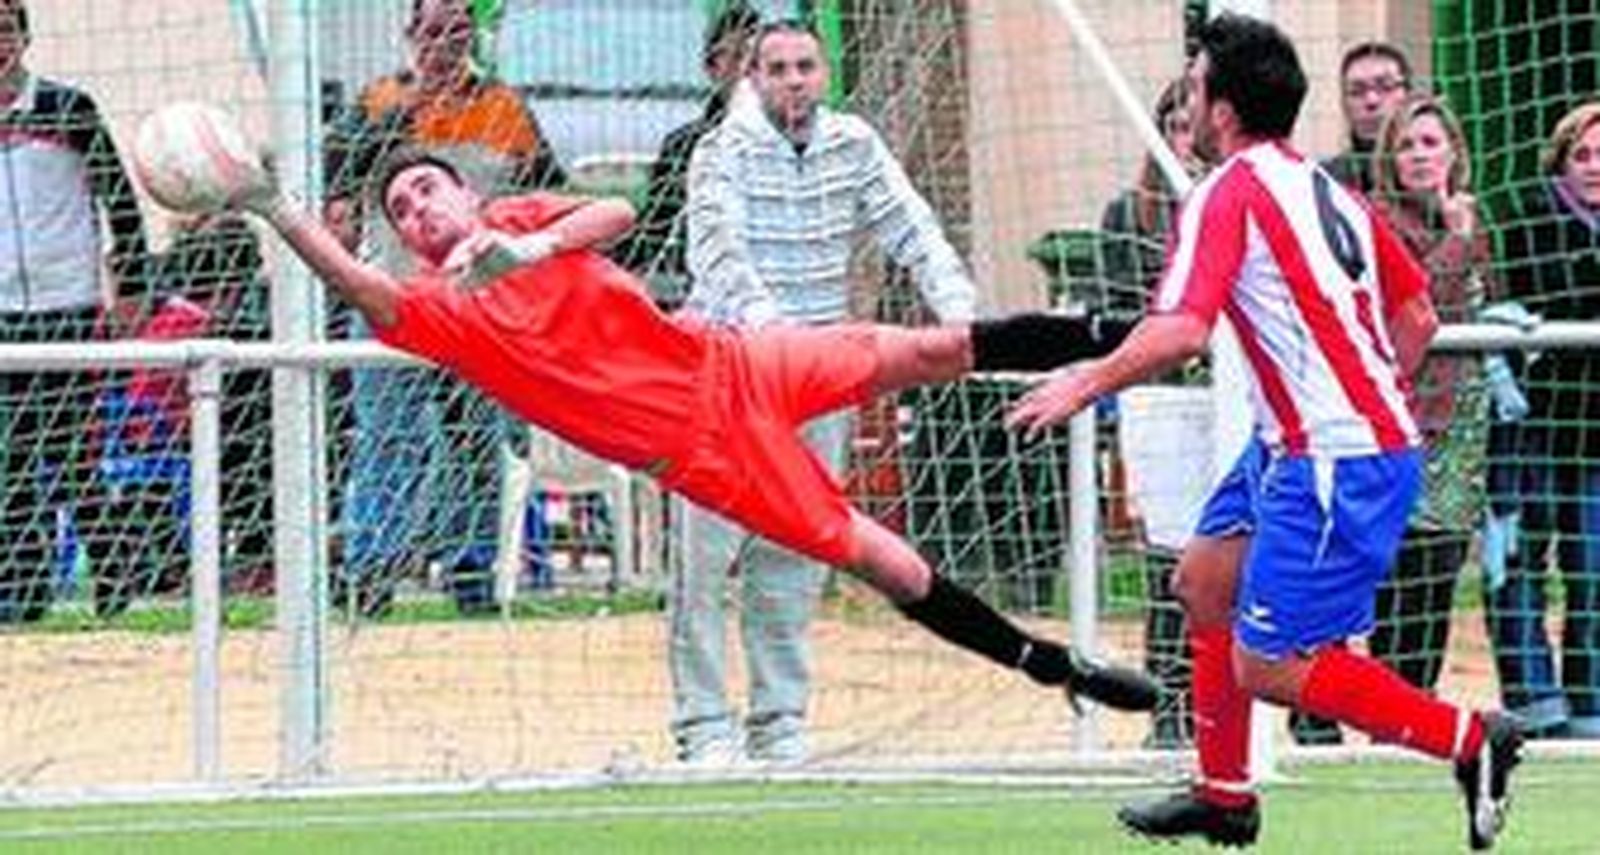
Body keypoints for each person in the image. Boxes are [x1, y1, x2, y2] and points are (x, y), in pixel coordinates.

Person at [197, 135, 1157, 732]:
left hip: (733, 362)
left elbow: (620, 210)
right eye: (402, 211)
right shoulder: (435, 311)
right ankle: (1051, 665)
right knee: (883, 559)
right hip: (707, 453)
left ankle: (1151, 332)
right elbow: (357, 287)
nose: (418, 210)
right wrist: (271, 204)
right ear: (406, 239)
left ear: (466, 195)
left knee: (934, 346)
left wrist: (529, 245)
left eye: (426, 190)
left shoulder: (521, 218)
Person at [1006, 15, 1522, 850]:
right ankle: (1224, 794)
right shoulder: (1329, 188)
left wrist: (1082, 381)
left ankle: (1470, 738)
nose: (1187, 101)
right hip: (1302, 442)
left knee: (1274, 663)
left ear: (1220, 109)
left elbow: (1181, 331)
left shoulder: (1227, 192)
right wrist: (1364, 397)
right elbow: (1418, 314)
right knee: (1204, 582)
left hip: (1333, 455)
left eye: (1194, 85)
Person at [664, 19, 981, 767]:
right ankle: (703, 727)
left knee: (796, 551)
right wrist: (772, 331)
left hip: (819, 377)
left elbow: (912, 228)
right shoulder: (721, 150)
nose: (793, 80)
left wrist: (963, 316)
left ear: (825, 72)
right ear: (753, 77)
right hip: (730, 370)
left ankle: (779, 722)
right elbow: (717, 252)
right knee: (703, 562)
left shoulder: (855, 142)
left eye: (805, 65)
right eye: (777, 68)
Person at [322, 0, 567, 616]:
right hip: (394, 301)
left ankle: (471, 569)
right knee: (388, 438)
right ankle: (369, 573)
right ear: (411, 35)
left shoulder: (505, 109)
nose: (445, 43)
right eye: (433, 31)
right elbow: (335, 184)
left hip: (476, 302)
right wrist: (402, 118)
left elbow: (548, 193)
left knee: (476, 440)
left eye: (458, 30)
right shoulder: (380, 103)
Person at [0, 0, 153, 621]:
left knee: (69, 456)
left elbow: (121, 200)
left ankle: (113, 574)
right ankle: (22, 591)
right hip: (2, 311)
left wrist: (132, 284)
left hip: (68, 303)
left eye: (5, 29)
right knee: (10, 458)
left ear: (24, 37)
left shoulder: (69, 107)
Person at [1365, 92, 1494, 701]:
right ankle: (1371, 709)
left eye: (1430, 143)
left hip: (1461, 432)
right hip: (1398, 423)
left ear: (1453, 153)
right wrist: (1458, 239)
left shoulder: (1470, 217)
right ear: (1389, 159)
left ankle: (1413, 708)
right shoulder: (1379, 222)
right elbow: (1420, 304)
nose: (1418, 155)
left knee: (1439, 576)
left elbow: (1489, 299)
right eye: (1406, 145)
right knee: (1394, 579)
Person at [1096, 76, 1206, 750]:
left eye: (1195, 124)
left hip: (1227, 401)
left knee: (1228, 561)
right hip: (1162, 403)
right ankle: (1169, 711)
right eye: (1175, 126)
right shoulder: (1129, 215)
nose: (1186, 138)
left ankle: (1232, 712)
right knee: (1170, 562)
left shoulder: (1232, 201)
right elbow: (1120, 305)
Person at [1487, 100, 1600, 741]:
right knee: (1521, 561)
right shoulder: (1530, 217)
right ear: (1561, 162)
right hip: (1533, 423)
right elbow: (1554, 293)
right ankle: (1533, 695)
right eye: (1581, 154)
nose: (1594, 166)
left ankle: (1591, 695)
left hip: (1595, 433)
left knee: (1592, 567)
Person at [610, 1, 760, 303]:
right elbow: (656, 232)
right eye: (735, 56)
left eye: (756, 59)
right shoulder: (685, 145)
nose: (746, 70)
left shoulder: (807, 139)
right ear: (711, 68)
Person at [1323, 41, 1413, 195]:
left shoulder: (1428, 169)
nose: (1371, 101)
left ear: (1409, 95)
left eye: (1385, 87)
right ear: (1343, 104)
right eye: (1356, 91)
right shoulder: (1327, 181)